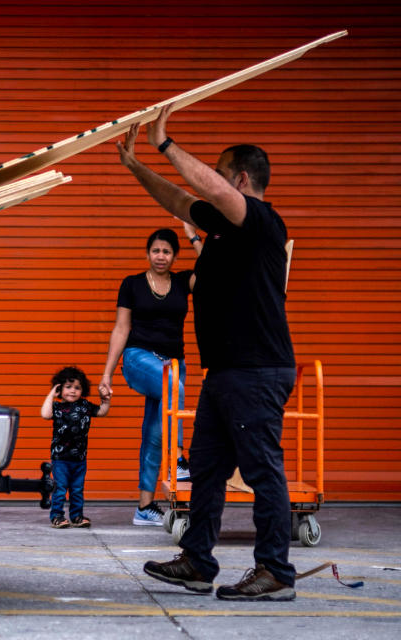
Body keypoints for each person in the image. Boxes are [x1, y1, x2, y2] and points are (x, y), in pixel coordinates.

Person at [116, 103, 297, 601]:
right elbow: (178, 198)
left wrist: (166, 144)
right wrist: (137, 167)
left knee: (262, 469)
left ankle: (275, 571)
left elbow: (208, 189)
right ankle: (198, 562)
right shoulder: (221, 227)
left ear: (240, 179)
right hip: (226, 371)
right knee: (207, 468)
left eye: (218, 175)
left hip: (256, 370)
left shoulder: (260, 221)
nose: (209, 183)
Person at [99, 227, 195, 527]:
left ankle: (144, 507)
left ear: (175, 255)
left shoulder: (182, 281)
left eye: (167, 251)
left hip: (174, 361)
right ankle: (178, 459)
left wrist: (194, 235)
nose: (161, 256)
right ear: (147, 253)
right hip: (139, 358)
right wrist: (107, 374)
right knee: (172, 385)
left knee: (154, 434)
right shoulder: (132, 284)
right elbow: (121, 328)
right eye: (156, 250)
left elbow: (214, 269)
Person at [41, 366, 109, 529]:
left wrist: (105, 400)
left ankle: (76, 516)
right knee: (60, 488)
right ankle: (57, 516)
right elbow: (45, 414)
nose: (73, 391)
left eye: (77, 388)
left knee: (77, 489)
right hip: (61, 459)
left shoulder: (85, 405)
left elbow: (101, 412)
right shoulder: (56, 408)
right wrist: (52, 394)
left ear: (83, 390)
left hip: (79, 459)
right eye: (68, 387)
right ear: (60, 388)